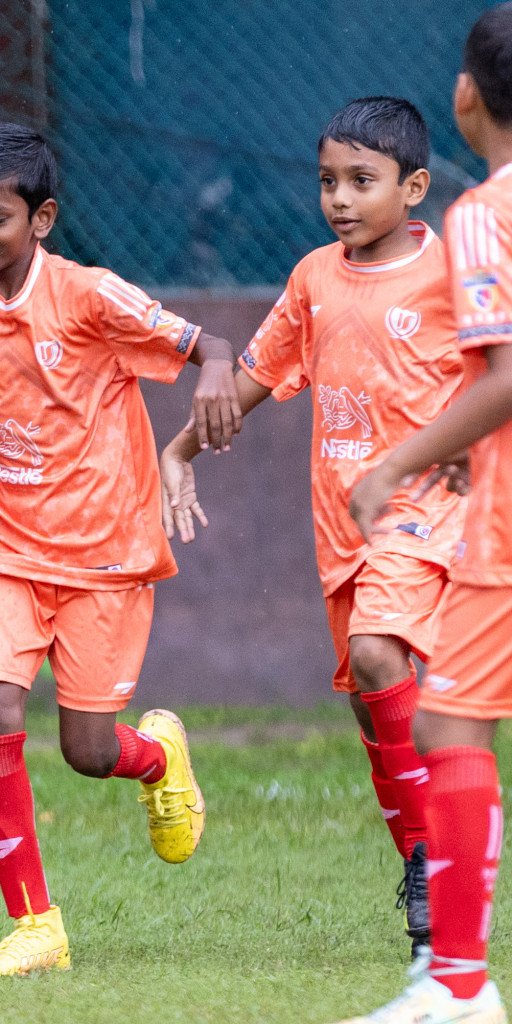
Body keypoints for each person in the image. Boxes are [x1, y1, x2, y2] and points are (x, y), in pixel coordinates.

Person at [0, 121, 240, 975]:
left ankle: (157, 755)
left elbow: (203, 344)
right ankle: (36, 926)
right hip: (3, 549)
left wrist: (214, 369)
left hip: (104, 553)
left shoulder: (93, 296)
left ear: (43, 218)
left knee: (88, 752)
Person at [160, 97, 464, 960]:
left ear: (414, 187)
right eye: (328, 181)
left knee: (378, 654)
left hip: (426, 515)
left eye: (362, 182)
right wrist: (179, 448)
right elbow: (256, 376)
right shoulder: (313, 278)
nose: (339, 198)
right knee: (375, 715)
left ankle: (438, 857)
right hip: (343, 531)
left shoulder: (450, 276)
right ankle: (421, 858)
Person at [337, 6, 512, 1021]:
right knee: (449, 714)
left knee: (453, 724)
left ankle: (456, 988)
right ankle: (454, 983)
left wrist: (404, 459)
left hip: (501, 514)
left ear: (463, 97)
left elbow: (502, 377)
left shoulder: (486, 212)